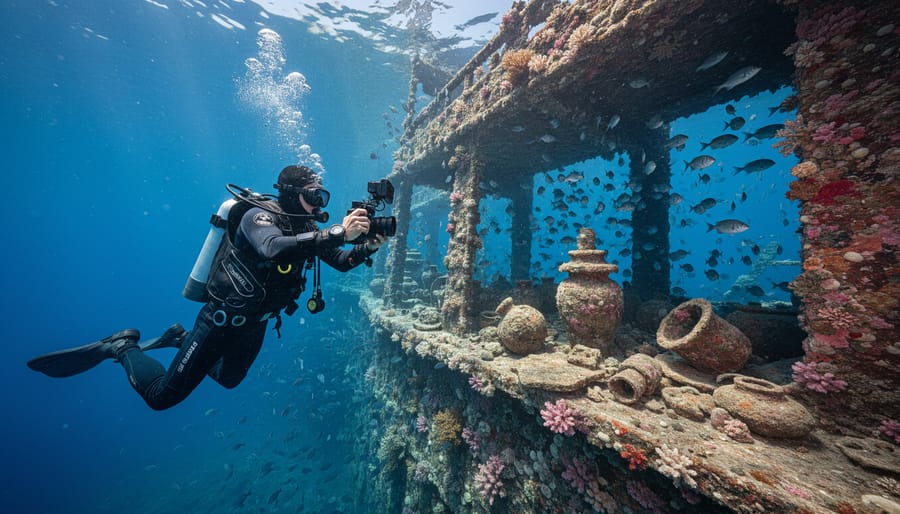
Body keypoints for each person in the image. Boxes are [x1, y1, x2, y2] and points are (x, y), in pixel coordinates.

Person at [28, 165, 386, 410]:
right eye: (314, 196)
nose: (318, 206)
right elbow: (271, 247)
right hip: (220, 320)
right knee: (161, 398)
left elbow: (339, 262)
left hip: (256, 323)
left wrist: (369, 245)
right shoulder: (258, 216)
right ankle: (122, 346)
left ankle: (178, 338)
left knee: (228, 380)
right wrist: (338, 231)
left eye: (322, 197)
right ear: (291, 194)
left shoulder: (305, 227)